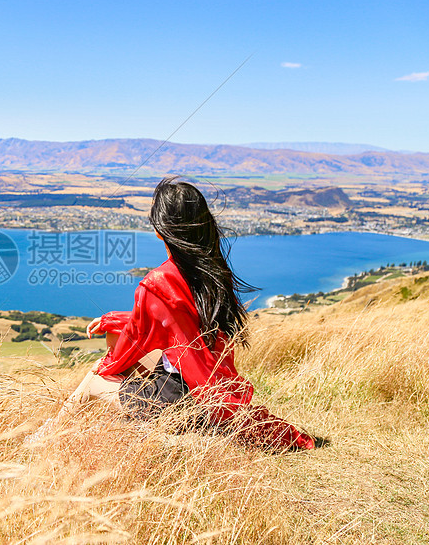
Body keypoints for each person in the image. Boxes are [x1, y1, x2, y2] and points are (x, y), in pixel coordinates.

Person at [30, 177, 315, 451]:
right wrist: (114, 321)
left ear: (159, 230)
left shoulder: (157, 283)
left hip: (174, 401)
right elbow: (177, 324)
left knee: (93, 379)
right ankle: (58, 434)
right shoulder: (216, 273)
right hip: (210, 394)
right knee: (117, 349)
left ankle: (46, 437)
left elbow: (134, 342)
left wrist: (104, 366)